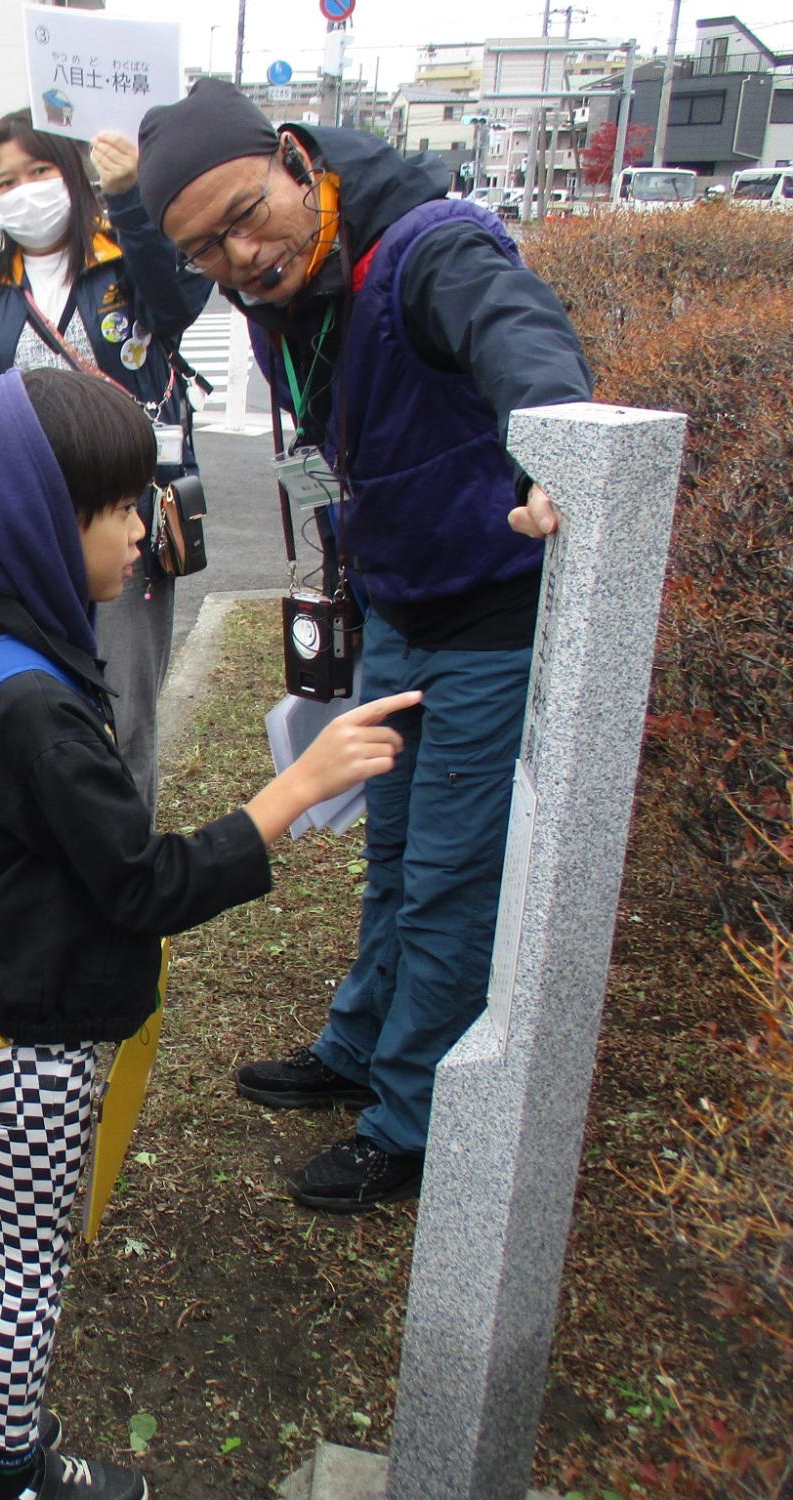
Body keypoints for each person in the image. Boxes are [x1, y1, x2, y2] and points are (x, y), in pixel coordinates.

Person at [0, 367, 419, 1500]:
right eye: (118, 505)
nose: (143, 526)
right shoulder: (44, 709)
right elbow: (142, 885)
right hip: (32, 1027)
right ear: (36, 521)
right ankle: (8, 1467)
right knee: (28, 1253)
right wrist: (290, 792)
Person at [135, 79, 593, 1211]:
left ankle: (408, 1121)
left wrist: (551, 449)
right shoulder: (287, 276)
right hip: (392, 602)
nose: (238, 255)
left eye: (246, 215)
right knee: (388, 855)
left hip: (485, 610)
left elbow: (515, 329)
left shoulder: (426, 245)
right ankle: (355, 1051)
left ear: (293, 160)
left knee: (446, 876)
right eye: (205, 249)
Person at [0, 110, 211, 805]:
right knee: (28, 705)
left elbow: (180, 302)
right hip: (24, 538)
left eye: (40, 171)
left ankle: (125, 879)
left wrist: (130, 199)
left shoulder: (127, 258)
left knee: (124, 714)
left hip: (127, 528)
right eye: (5, 180)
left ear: (74, 173)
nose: (24, 190)